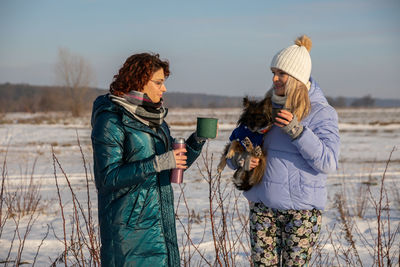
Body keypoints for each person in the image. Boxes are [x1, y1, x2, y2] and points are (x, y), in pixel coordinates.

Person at [228, 35, 340, 266]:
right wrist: (243, 160)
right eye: (273, 72)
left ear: (298, 77)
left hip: (301, 214)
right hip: (263, 209)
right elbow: (232, 154)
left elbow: (328, 162)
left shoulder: (322, 112)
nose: (274, 78)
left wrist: (297, 132)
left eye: (281, 73)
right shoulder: (264, 109)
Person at [91, 53, 206, 267]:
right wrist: (155, 163)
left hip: (159, 227)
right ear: (139, 81)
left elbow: (173, 163)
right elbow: (107, 178)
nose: (164, 89)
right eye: (159, 83)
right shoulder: (111, 120)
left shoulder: (155, 119)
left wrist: (196, 141)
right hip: (129, 233)